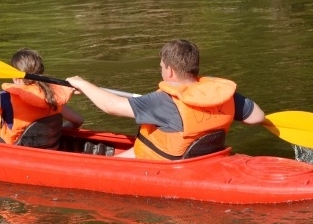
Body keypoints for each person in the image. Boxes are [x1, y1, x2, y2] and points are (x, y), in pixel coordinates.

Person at [67, 39, 265, 159]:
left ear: (169, 70)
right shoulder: (221, 95)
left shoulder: (163, 101)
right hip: (202, 158)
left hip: (167, 165)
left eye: (161, 66)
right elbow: (256, 117)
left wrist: (83, 83)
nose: (161, 69)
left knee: (105, 167)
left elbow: (112, 106)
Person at [0, 48, 83, 147]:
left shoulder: (6, 98)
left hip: (10, 153)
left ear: (16, 77)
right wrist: (51, 133)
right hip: (49, 150)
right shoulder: (52, 98)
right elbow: (78, 121)